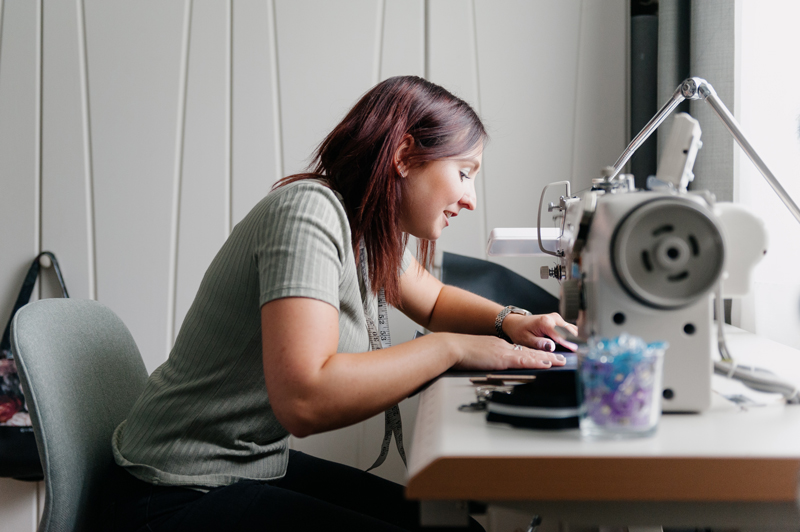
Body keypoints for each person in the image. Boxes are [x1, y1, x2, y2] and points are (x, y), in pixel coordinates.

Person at [109, 75, 578, 532]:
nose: (470, 199)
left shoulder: (364, 229)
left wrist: (512, 322)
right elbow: (304, 400)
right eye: (464, 173)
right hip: (171, 494)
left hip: (243, 466)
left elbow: (432, 302)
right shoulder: (309, 213)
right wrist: (450, 350)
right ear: (403, 155)